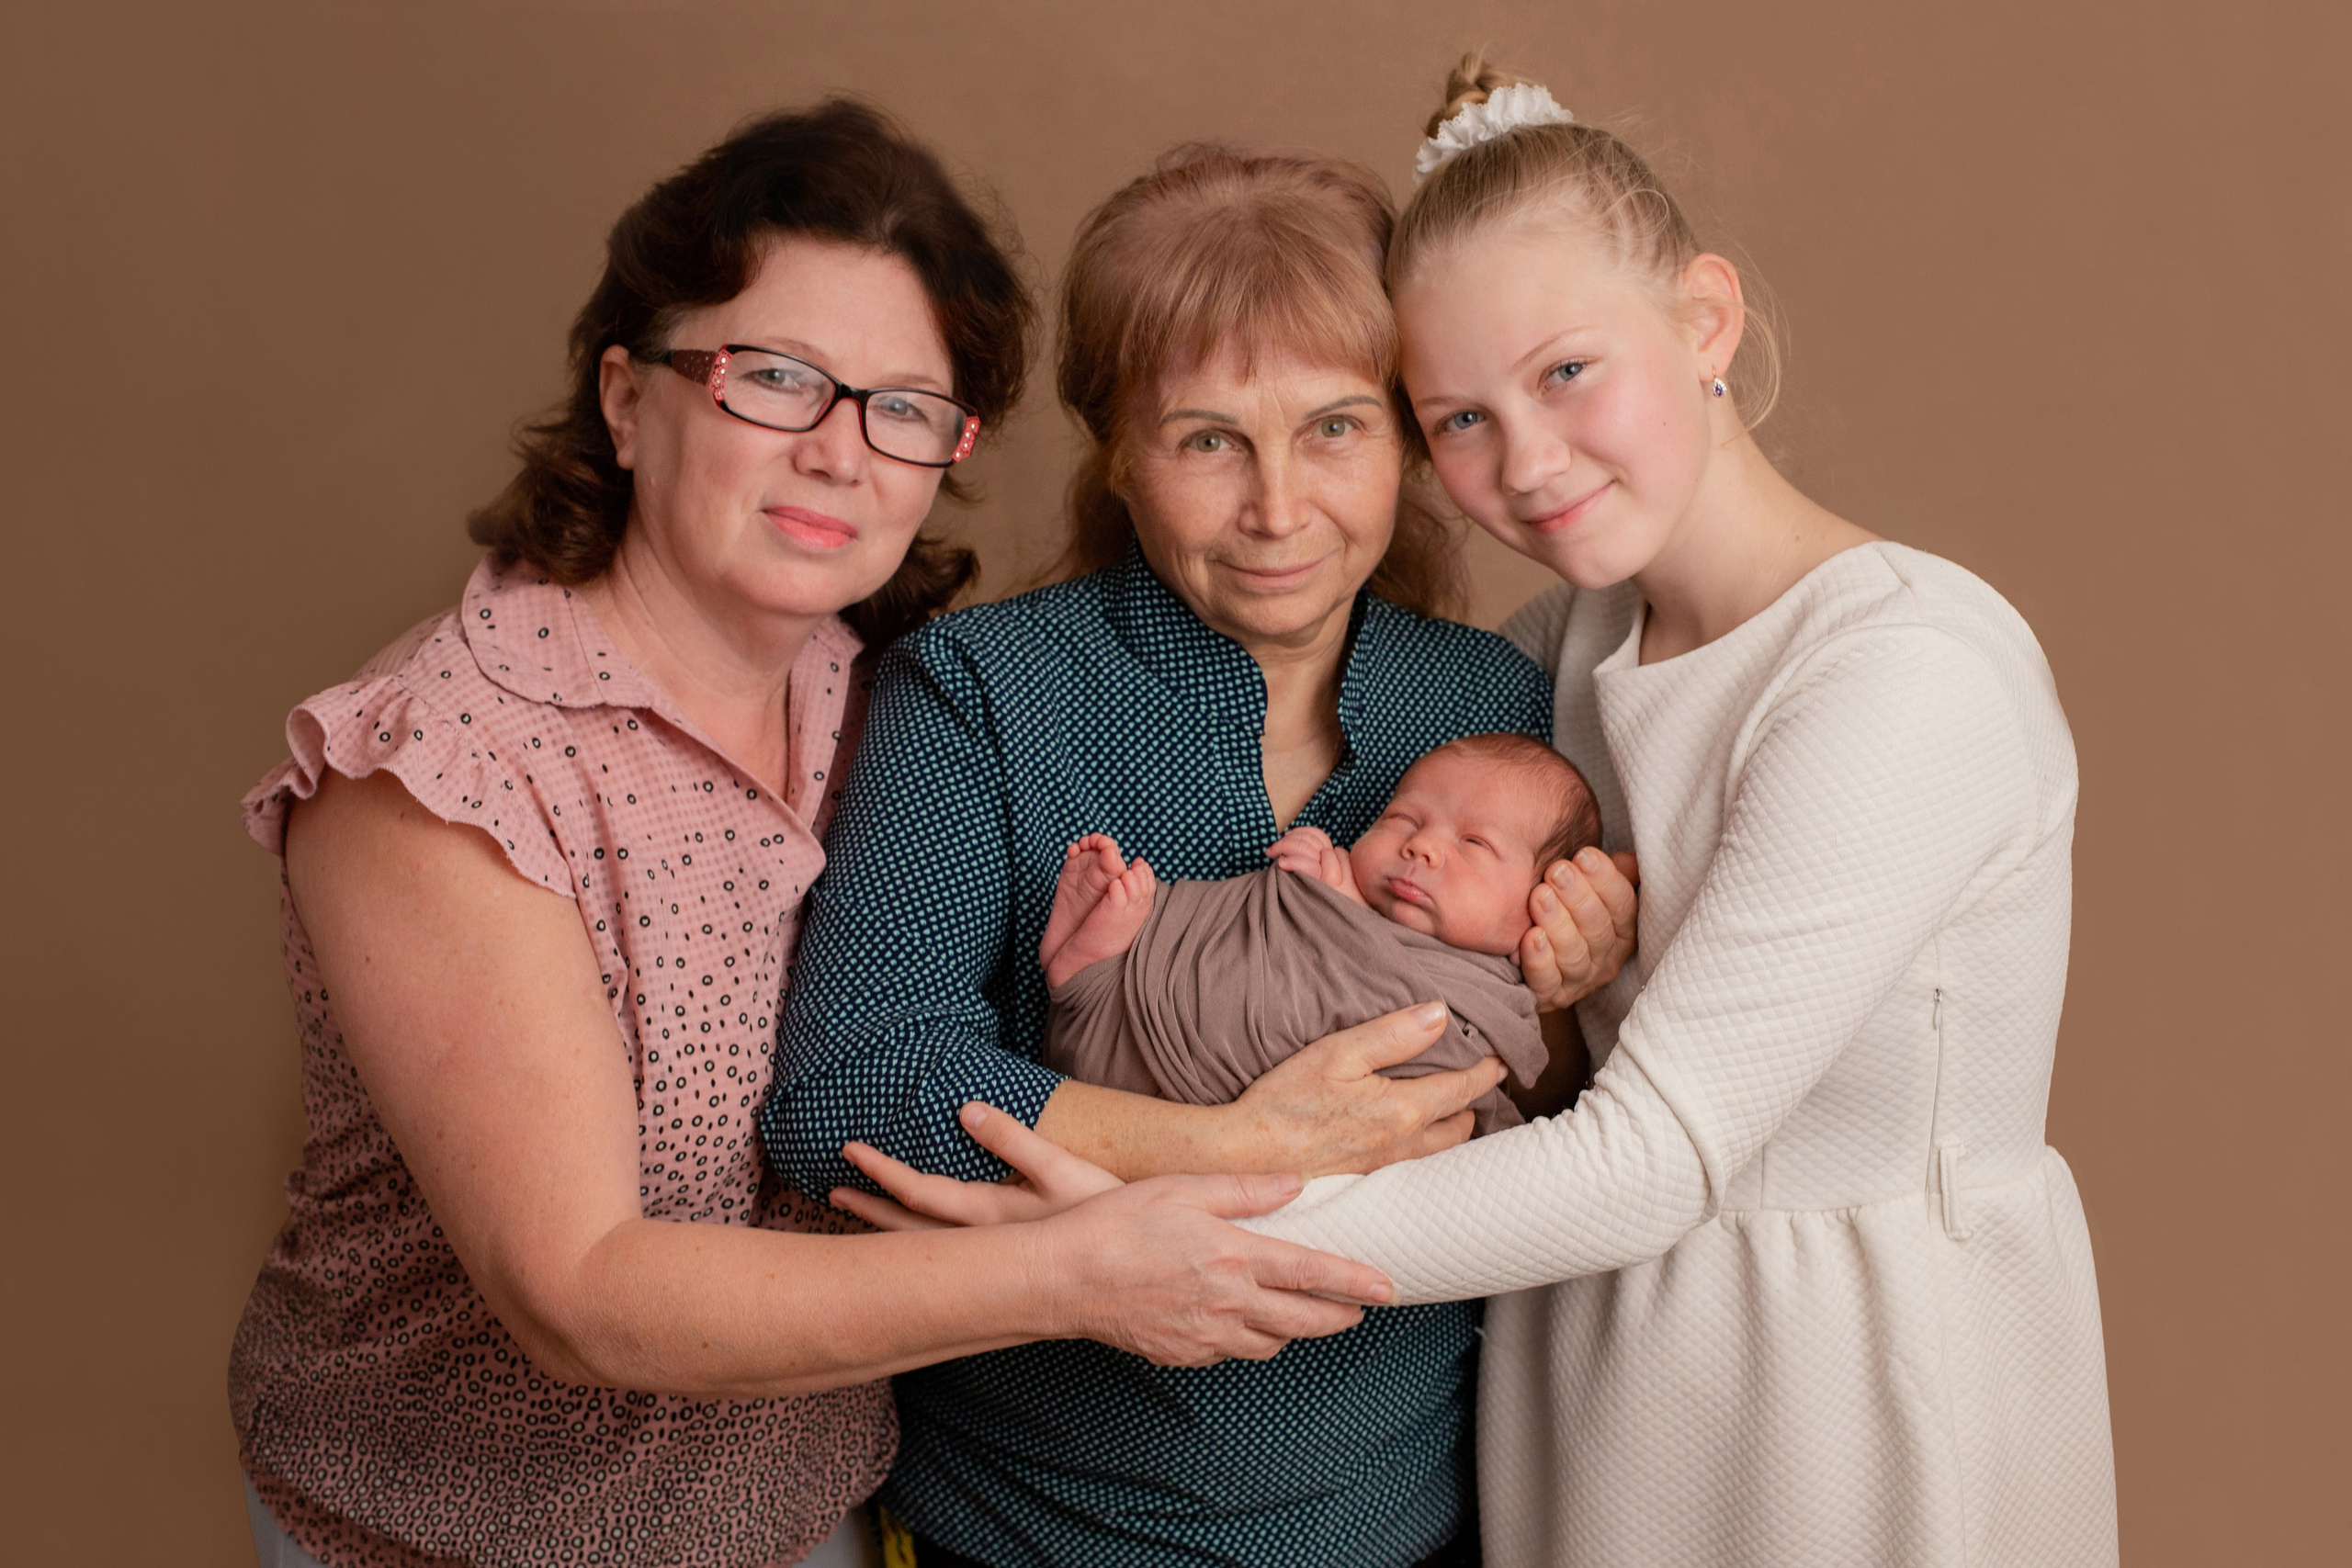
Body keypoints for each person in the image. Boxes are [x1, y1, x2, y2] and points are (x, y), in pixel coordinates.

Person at [850, 58, 2119, 1568]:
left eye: (1568, 373)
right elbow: (1519, 1040)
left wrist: (1131, 1230)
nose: (1524, 461)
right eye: (1460, 413)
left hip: (1837, 1383)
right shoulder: (1551, 661)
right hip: (1587, 1383)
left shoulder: (1901, 675)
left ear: (1705, 321)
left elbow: (1649, 1144)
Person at [228, 103, 1398, 1568]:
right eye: (777, 378)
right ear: (626, 395)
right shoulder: (442, 764)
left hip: (809, 1510)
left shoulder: (898, 695)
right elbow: (580, 1291)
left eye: (902, 407)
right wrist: (1080, 1270)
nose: (842, 452)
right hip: (454, 1534)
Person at [765, 144, 1640, 1568]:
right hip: (1034, 1530)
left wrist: (1583, 973)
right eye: (1209, 439)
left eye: (1337, 428)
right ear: (1119, 451)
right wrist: (1226, 1152)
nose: (1280, 507)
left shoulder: (1497, 703)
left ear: (1413, 437)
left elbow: (1581, 1121)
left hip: (1420, 1519)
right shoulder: (982, 688)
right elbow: (851, 1088)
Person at [1031, 734, 1601, 1134]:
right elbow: (1299, 929)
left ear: (1543, 902)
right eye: (1401, 819)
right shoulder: (1336, 883)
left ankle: (1091, 981)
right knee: (1187, 924)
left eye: (1474, 845)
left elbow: (1478, 1071)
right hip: (1137, 1072)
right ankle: (1096, 971)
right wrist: (1326, 893)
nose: (1420, 846)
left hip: (1197, 1099)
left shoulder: (1492, 998)